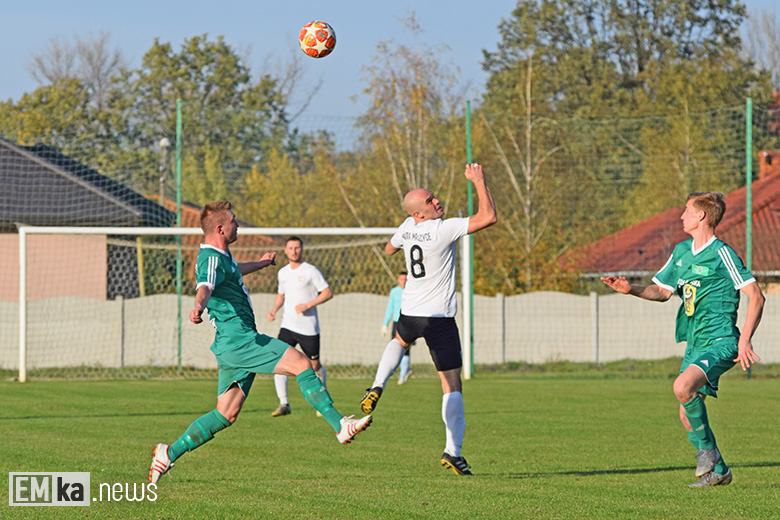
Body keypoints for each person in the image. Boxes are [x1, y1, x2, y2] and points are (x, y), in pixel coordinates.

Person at [148, 201, 371, 484]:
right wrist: (198, 307)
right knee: (302, 364)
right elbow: (205, 286)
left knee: (225, 414)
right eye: (233, 220)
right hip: (241, 341)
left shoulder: (221, 255)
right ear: (220, 228)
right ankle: (340, 425)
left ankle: (168, 453)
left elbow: (234, 270)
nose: (237, 224)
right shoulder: (210, 260)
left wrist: (262, 263)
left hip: (231, 346)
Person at [601, 192, 764, 488]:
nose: (681, 216)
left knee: (681, 387)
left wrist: (745, 341)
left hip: (721, 340)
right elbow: (662, 292)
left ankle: (707, 452)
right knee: (687, 415)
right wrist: (631, 289)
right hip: (695, 344)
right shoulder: (681, 252)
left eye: (687, 211)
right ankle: (720, 471)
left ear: (701, 216)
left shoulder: (722, 253)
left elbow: (756, 296)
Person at [360, 163, 497, 476]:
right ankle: (454, 451)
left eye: (434, 197)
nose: (437, 202)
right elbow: (489, 217)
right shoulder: (442, 228)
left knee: (400, 340)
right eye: (430, 201)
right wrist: (479, 181)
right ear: (420, 213)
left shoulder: (408, 226)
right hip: (439, 318)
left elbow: (389, 248)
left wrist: (407, 235)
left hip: (409, 312)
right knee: (451, 384)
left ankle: (378, 384)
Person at [266, 236, 333, 417]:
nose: (294, 251)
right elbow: (281, 295)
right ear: (286, 251)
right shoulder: (283, 273)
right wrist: (273, 310)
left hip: (308, 328)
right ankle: (284, 403)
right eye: (291, 248)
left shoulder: (311, 271)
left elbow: (327, 293)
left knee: (314, 366)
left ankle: (322, 400)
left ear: (301, 250)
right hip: (287, 325)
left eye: (297, 248)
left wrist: (308, 305)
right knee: (278, 361)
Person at [380, 271, 414, 385]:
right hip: (396, 322)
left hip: (409, 321)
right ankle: (402, 371)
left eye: (405, 279)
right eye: (401, 279)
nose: (403, 282)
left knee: (407, 348)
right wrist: (385, 324)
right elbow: (390, 308)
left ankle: (403, 375)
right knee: (396, 347)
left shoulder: (411, 290)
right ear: (398, 280)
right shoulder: (394, 292)